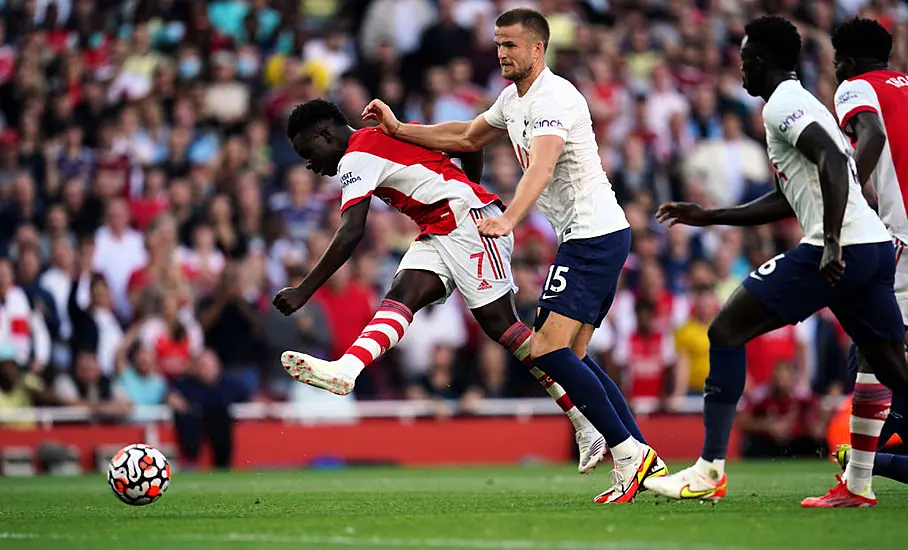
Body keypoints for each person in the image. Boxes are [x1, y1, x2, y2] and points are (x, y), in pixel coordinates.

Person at [360, 7, 665, 503]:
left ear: (537, 49)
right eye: (498, 44)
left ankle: (629, 453)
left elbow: (541, 168)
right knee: (574, 355)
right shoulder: (511, 98)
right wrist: (399, 129)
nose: (501, 53)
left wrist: (508, 220)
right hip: (590, 236)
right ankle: (641, 456)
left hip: (594, 236)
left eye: (511, 45)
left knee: (547, 350)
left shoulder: (555, 98)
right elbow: (464, 137)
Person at [645, 15, 908, 507]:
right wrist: (712, 216)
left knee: (724, 330)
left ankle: (709, 470)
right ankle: (858, 489)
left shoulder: (783, 104)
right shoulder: (804, 103)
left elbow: (832, 160)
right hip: (874, 248)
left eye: (744, 59)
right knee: (894, 369)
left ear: (760, 61)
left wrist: (829, 241)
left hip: (843, 247)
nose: (739, 69)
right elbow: (794, 194)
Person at [272, 98, 609, 476]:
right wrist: (470, 187)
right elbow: (469, 144)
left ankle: (586, 420)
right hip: (442, 227)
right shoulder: (389, 133)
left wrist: (304, 289)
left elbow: (351, 231)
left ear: (325, 133)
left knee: (504, 328)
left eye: (308, 151)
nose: (309, 164)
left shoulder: (356, 156)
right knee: (402, 294)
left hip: (468, 224)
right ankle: (347, 369)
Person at [829, 18, 908, 489]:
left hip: (904, 234)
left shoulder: (857, 88)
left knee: (873, 347)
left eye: (839, 60)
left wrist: (850, 192)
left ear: (852, 61)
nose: (837, 69)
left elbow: (872, 135)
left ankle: (859, 476)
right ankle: (870, 461)